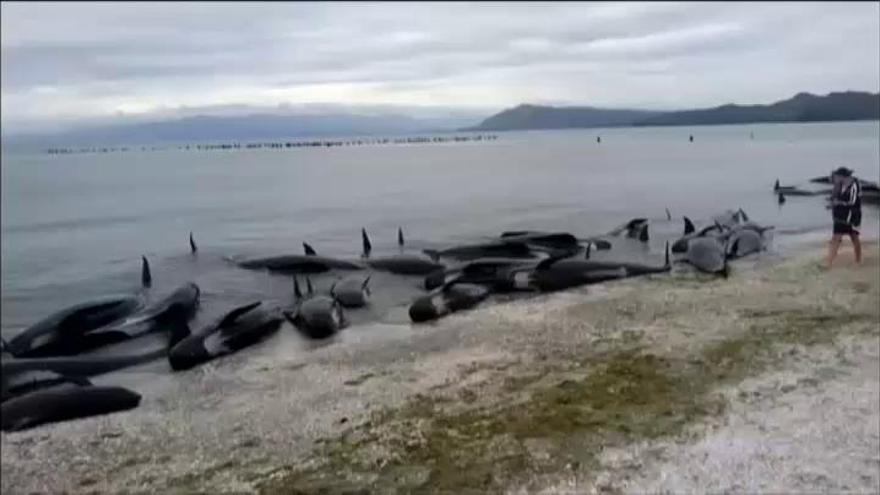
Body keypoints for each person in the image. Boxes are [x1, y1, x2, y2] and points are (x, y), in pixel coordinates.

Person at [824, 166, 862, 269]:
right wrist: (832, 205)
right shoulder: (839, 185)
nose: (834, 177)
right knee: (836, 238)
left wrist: (838, 203)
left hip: (852, 216)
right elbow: (835, 198)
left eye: (836, 176)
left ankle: (857, 261)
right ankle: (829, 262)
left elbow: (853, 202)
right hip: (840, 216)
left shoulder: (854, 185)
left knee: (854, 238)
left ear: (842, 176)